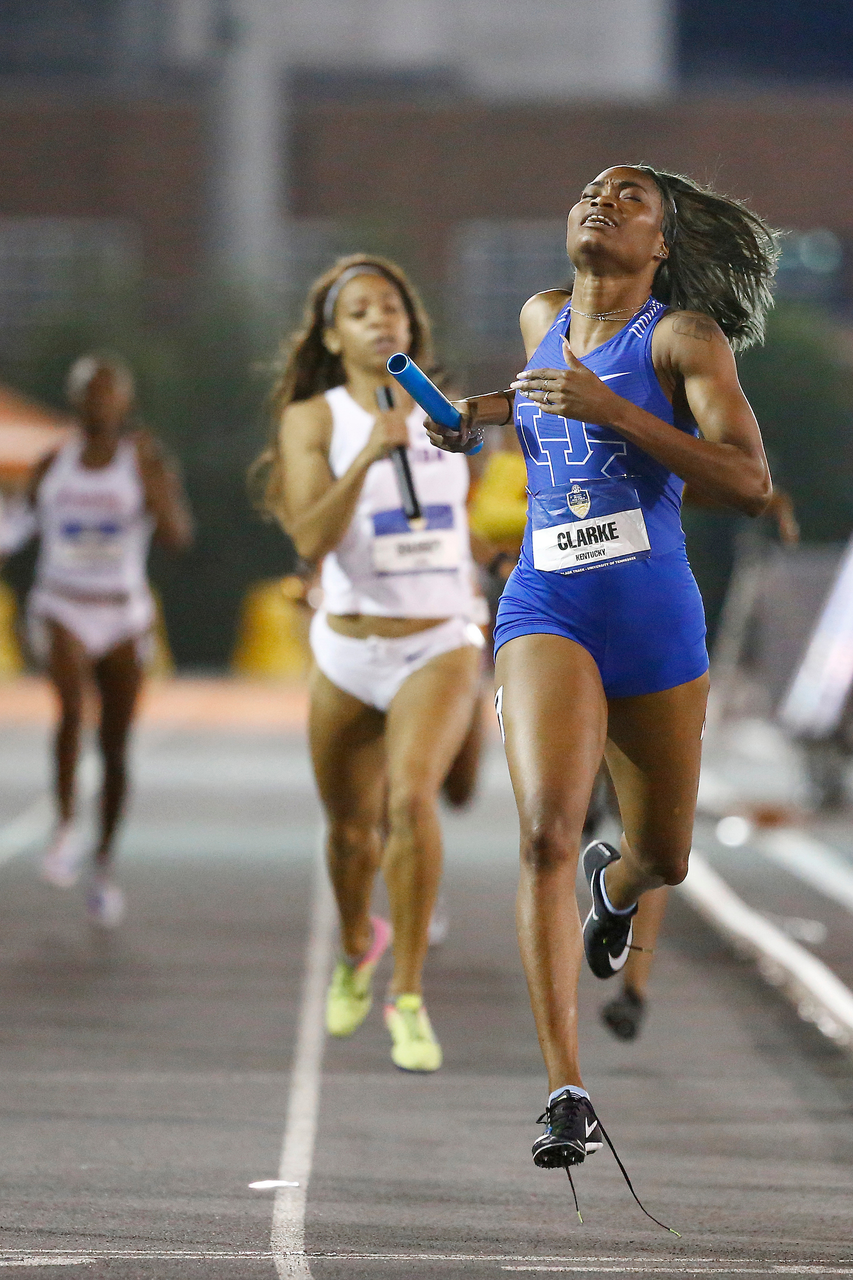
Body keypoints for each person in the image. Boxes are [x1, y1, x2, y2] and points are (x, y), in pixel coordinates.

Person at [425, 166, 777, 1175]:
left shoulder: (681, 341)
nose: (599, 202)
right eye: (587, 190)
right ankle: (564, 1090)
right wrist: (474, 413)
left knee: (662, 854)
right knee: (543, 827)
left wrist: (617, 413)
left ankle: (615, 888)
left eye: (629, 200)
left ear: (659, 246)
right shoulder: (544, 313)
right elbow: (539, 401)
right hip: (548, 603)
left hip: (652, 617)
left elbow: (748, 480)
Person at [257, 255, 483, 1072]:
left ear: (411, 326)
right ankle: (358, 942)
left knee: (411, 796)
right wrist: (369, 454)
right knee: (350, 834)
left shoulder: (447, 412)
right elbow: (312, 539)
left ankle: (410, 996)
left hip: (440, 637)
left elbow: (465, 519)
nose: (381, 320)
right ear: (331, 334)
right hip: (350, 647)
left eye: (391, 307)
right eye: (359, 311)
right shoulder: (313, 420)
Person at [3, 355, 192, 925]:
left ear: (125, 403)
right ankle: (63, 825)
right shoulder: (53, 461)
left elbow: (179, 538)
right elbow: (16, 526)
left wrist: (163, 490)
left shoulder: (143, 461)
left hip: (123, 613)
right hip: (61, 603)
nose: (98, 403)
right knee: (68, 708)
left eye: (108, 393)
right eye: (88, 392)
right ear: (74, 398)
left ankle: (104, 864)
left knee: (114, 747)